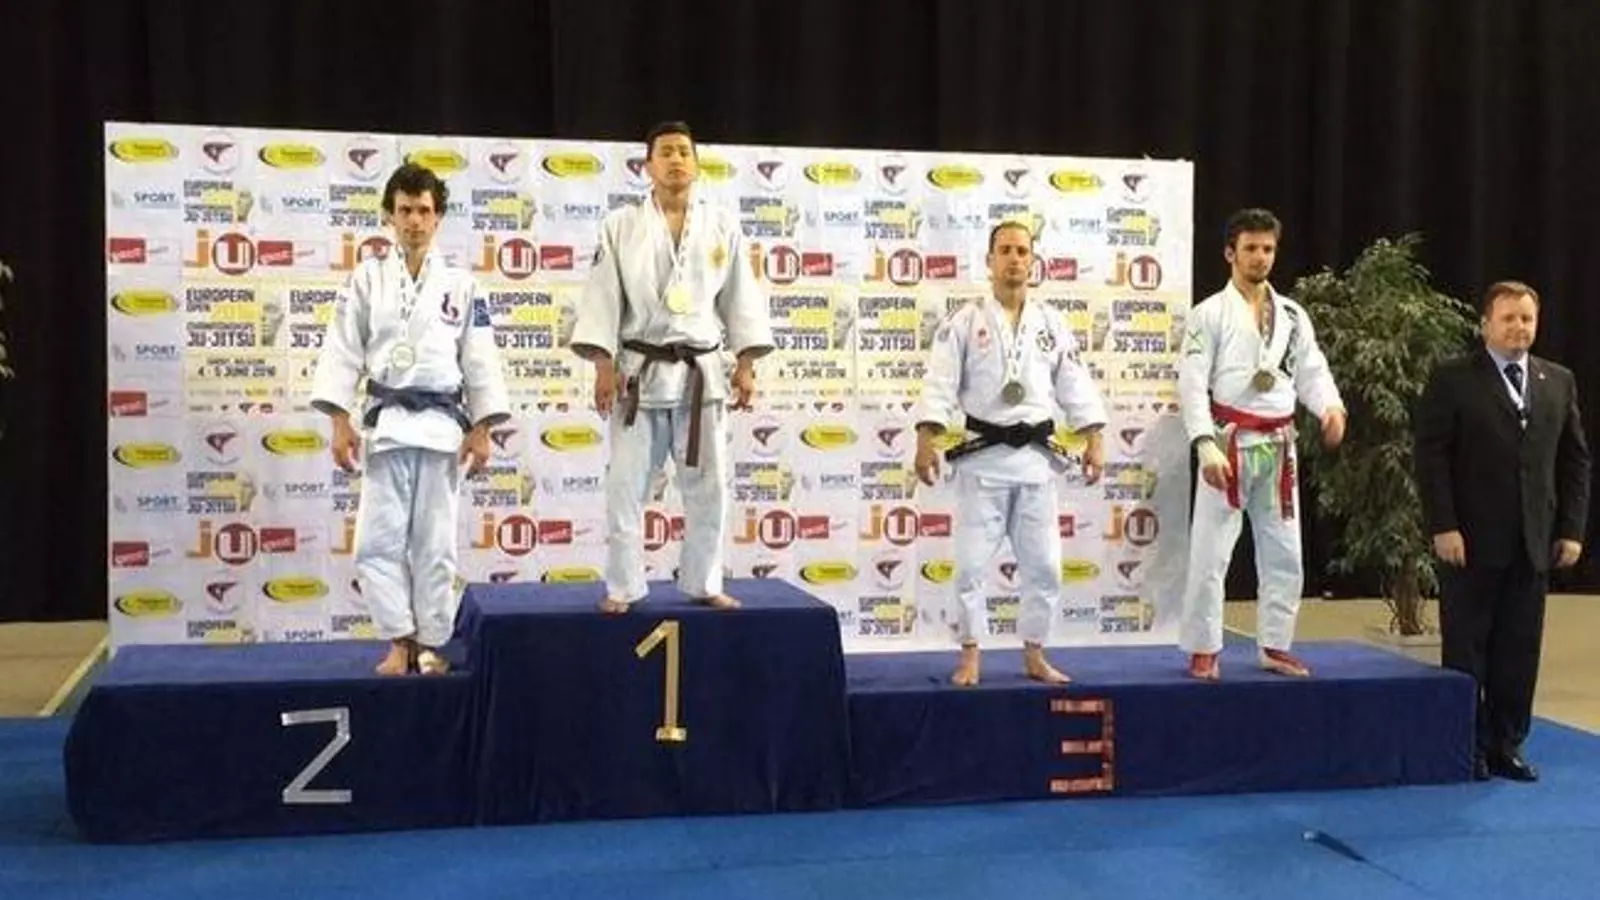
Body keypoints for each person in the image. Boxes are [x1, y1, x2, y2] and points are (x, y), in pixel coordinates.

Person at [310, 163, 510, 676]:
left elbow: (480, 359)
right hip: (387, 427)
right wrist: (339, 421)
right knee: (376, 544)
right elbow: (342, 351)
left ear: (438, 217)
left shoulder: (463, 285)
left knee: (435, 546)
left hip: (442, 430)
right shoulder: (366, 279)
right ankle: (400, 639)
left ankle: (433, 643)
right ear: (389, 216)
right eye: (405, 210)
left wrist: (482, 427)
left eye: (424, 210)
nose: (415, 221)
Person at [570, 121, 774, 614]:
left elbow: (741, 298)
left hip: (701, 375)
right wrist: (602, 365)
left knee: (709, 487)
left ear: (697, 164)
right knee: (625, 486)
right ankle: (623, 585)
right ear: (648, 166)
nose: (676, 159)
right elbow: (603, 298)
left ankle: (703, 580)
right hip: (639, 375)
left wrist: (746, 363)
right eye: (665, 152)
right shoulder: (620, 226)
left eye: (684, 151)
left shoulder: (722, 225)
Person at [913, 221, 1108, 686]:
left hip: (1036, 464)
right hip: (982, 462)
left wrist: (1095, 437)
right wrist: (925, 438)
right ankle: (970, 654)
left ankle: (1034, 653)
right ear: (989, 260)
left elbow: (1075, 383)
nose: (1014, 259)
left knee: (1046, 569)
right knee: (969, 568)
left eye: (1022, 251)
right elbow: (939, 383)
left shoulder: (1051, 323)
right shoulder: (963, 321)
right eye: (1005, 250)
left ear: (1033, 261)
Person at [1415, 280, 1590, 782]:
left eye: (1527, 319)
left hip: (1533, 542)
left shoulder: (1557, 381)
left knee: (1519, 649)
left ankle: (1506, 744)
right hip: (1469, 541)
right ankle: (1465, 744)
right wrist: (1444, 525)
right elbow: (1431, 458)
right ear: (1485, 324)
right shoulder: (1453, 379)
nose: (1519, 327)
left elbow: (1575, 461)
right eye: (1508, 318)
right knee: (1467, 647)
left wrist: (1571, 530)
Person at [1177, 208, 1346, 680]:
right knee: (1211, 553)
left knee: (1285, 552)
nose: (1260, 257)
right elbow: (1191, 383)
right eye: (1250, 248)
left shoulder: (1292, 314)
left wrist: (1330, 408)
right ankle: (1204, 647)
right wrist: (1204, 443)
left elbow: (1312, 370)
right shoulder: (1209, 313)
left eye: (1268, 248)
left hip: (1279, 446)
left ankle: (1275, 644)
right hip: (1228, 442)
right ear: (1230, 253)